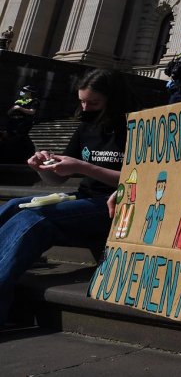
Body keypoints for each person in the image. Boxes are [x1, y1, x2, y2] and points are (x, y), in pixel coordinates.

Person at [0, 70, 135, 323]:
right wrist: (42, 168)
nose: (86, 108)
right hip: (84, 199)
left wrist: (83, 167)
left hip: (118, 204)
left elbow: (138, 180)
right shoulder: (87, 126)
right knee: (15, 205)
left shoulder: (135, 127)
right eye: (82, 101)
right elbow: (59, 178)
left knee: (34, 219)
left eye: (93, 103)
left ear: (113, 99)